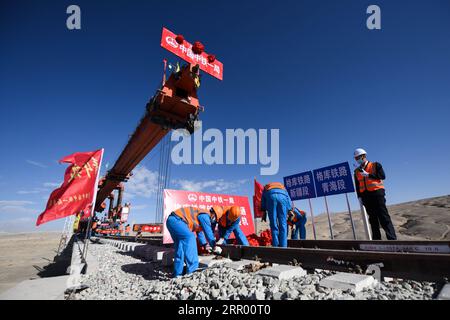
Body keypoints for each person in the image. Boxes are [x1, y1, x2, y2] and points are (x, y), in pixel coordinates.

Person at [353, 148, 397, 240]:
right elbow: (357, 185)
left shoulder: (375, 165)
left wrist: (369, 175)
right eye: (356, 158)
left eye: (358, 157)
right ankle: (377, 240)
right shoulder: (356, 171)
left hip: (377, 194)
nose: (357, 160)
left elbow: (382, 176)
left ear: (364, 156)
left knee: (383, 217)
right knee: (372, 219)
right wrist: (359, 197)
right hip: (366, 196)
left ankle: (392, 239)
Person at [165, 206, 221, 277]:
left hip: (172, 221)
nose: (214, 221)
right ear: (213, 214)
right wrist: (214, 246)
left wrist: (204, 245)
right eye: (216, 219)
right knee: (190, 237)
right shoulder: (205, 215)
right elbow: (208, 232)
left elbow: (200, 233)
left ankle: (177, 274)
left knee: (180, 247)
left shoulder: (201, 217)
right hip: (177, 220)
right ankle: (192, 270)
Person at [261, 182, 292, 247]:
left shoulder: (266, 187)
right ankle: (284, 245)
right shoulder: (282, 187)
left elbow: (263, 199)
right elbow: (288, 197)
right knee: (283, 224)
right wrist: (289, 209)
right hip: (283, 197)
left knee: (273, 224)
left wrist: (263, 211)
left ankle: (275, 245)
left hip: (270, 197)